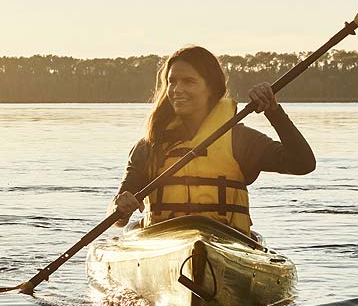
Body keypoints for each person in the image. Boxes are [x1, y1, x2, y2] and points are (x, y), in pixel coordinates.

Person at [112, 45, 316, 233]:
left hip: (226, 241)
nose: (177, 90)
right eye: (172, 81)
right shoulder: (149, 145)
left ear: (211, 88)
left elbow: (303, 164)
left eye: (188, 81)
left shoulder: (240, 140)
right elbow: (117, 219)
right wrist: (120, 206)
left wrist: (273, 111)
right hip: (163, 243)